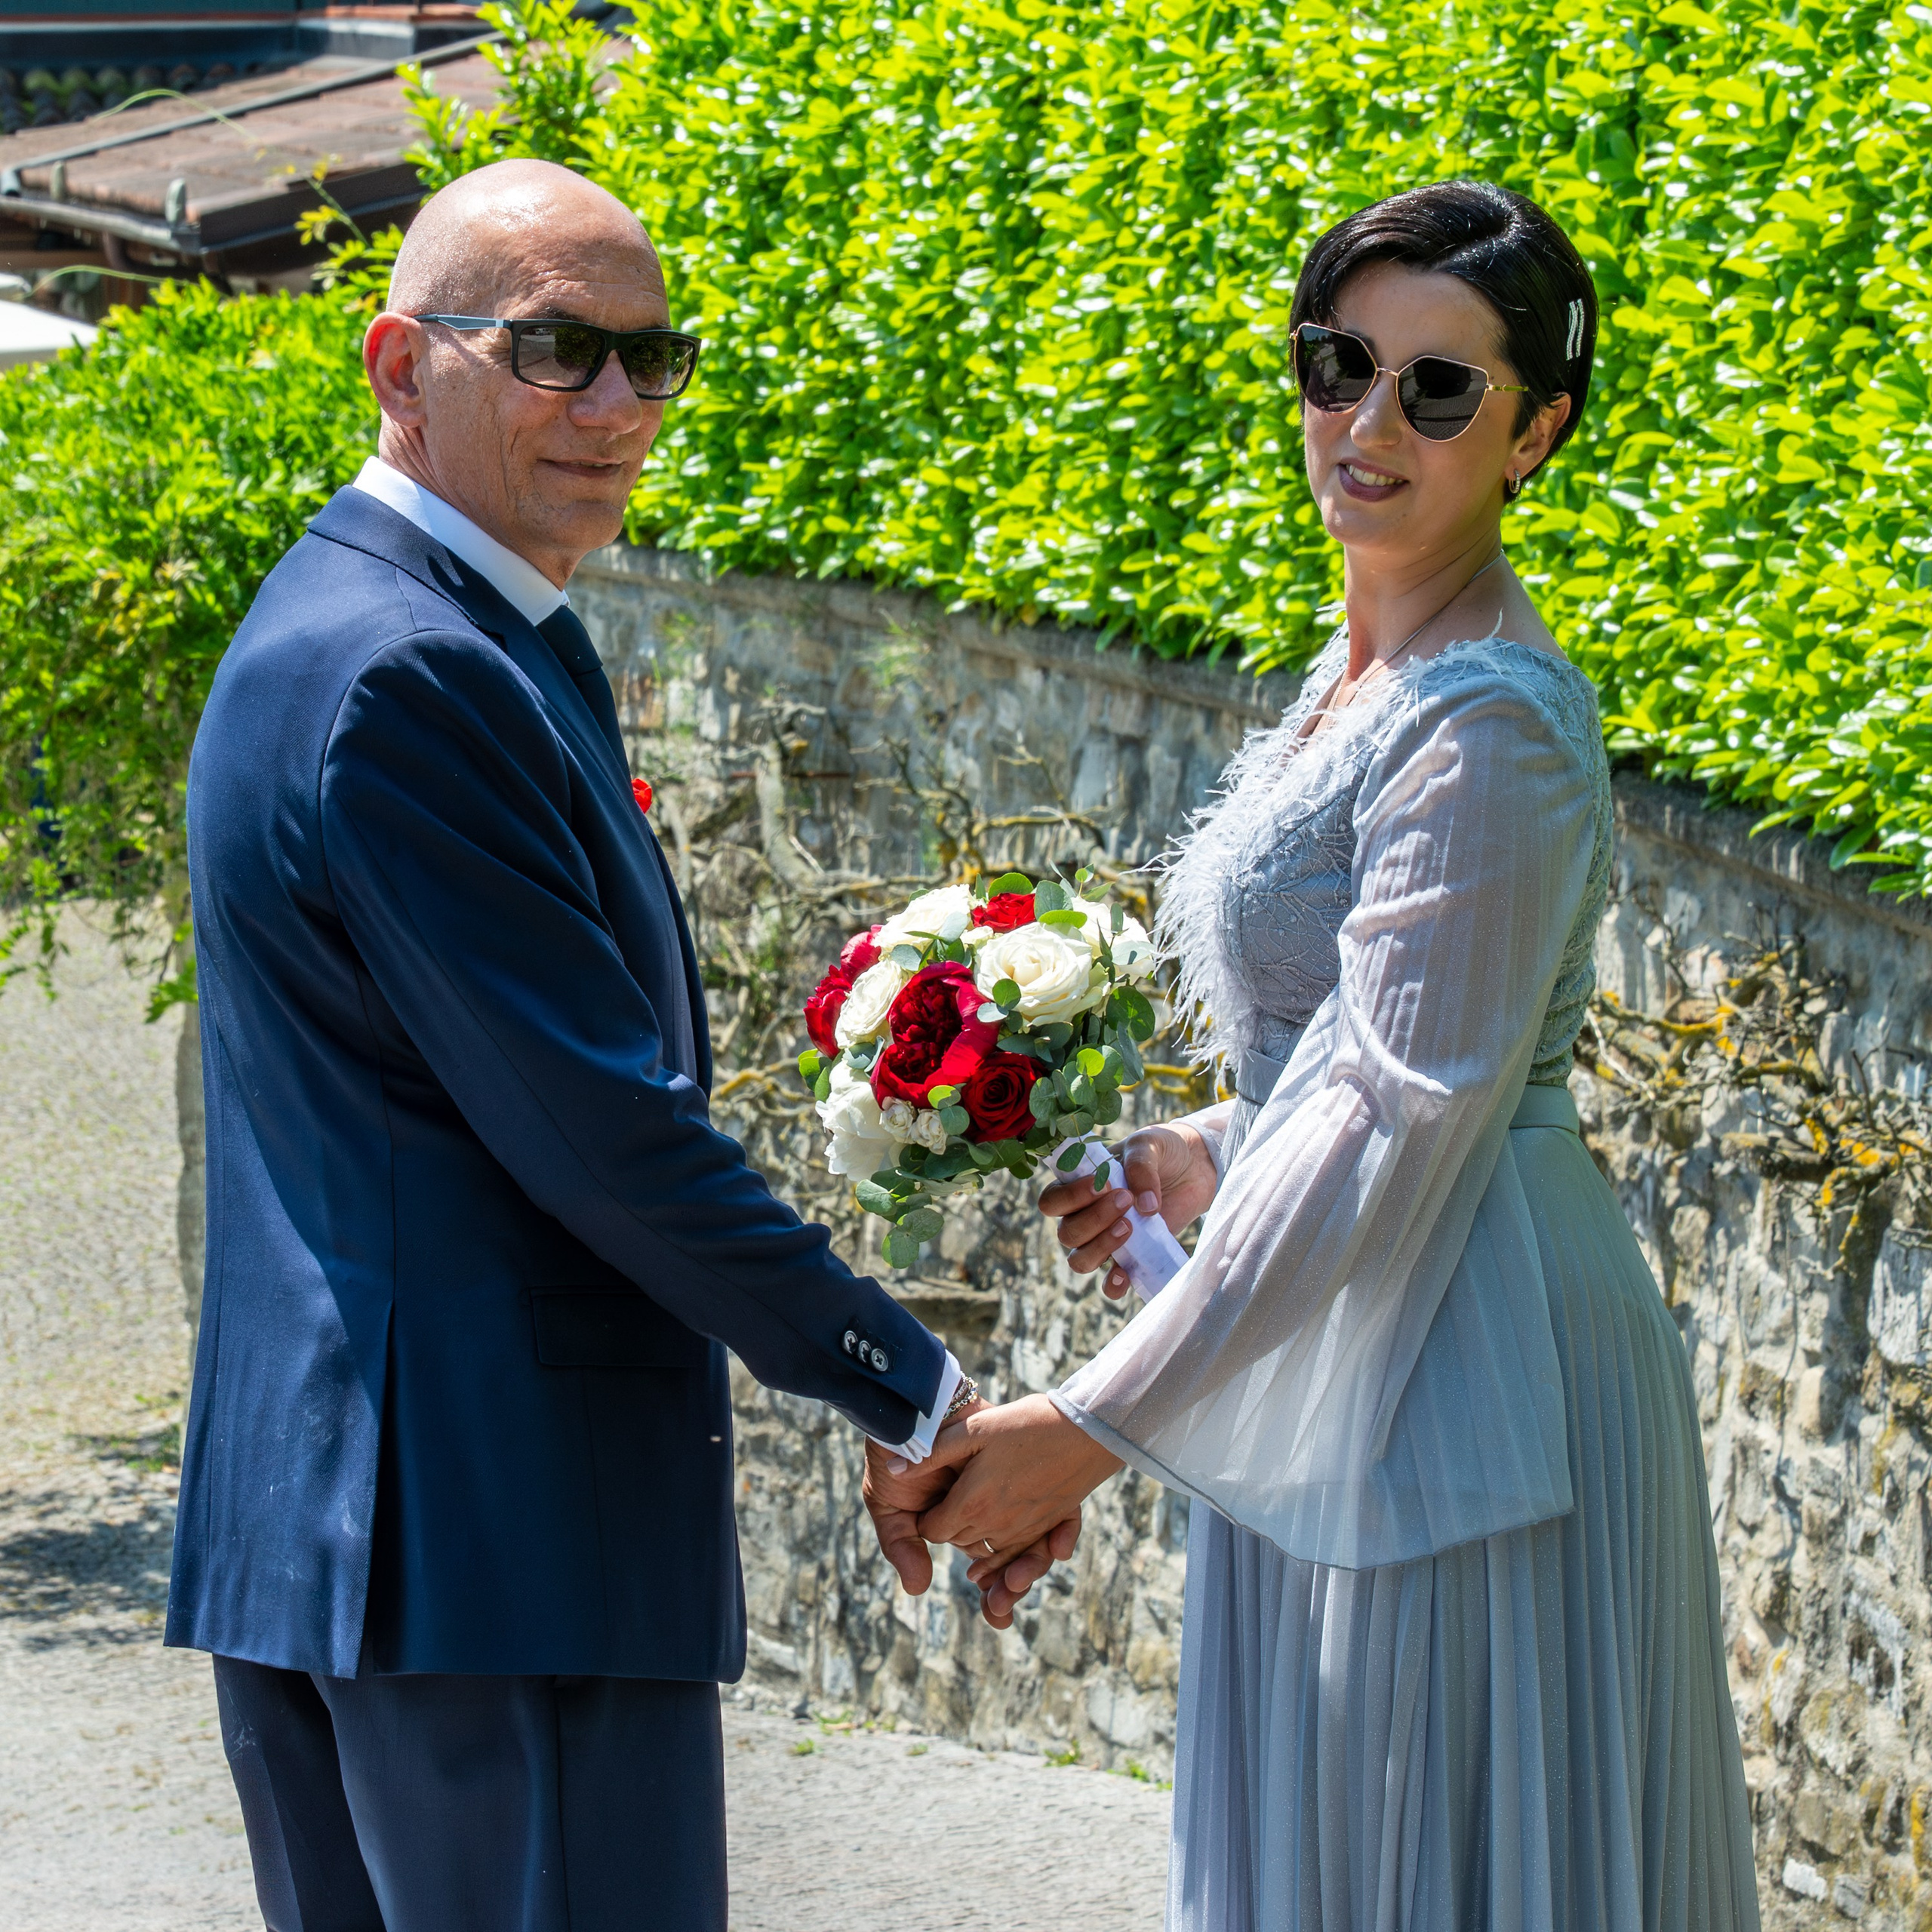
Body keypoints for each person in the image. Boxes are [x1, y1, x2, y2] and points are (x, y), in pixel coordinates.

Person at [878, 181, 1763, 1929]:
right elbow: (1353, 1059)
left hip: (1471, 1353)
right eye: (1336, 363)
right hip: (1350, 1330)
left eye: (1438, 389)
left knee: (1437, 1851)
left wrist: (1095, 1420)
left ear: (1535, 431)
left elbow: (1394, 1115)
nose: (1365, 423)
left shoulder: (1488, 721)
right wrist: (1207, 1143)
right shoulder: (1358, 670)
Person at [168, 158, 1008, 1931]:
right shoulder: (411, 669)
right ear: (401, 364)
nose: (618, 406)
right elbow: (599, 1130)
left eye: (652, 356)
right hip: (478, 1542)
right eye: (556, 351)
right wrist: (906, 1378)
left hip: (392, 1534)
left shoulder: (427, 628)